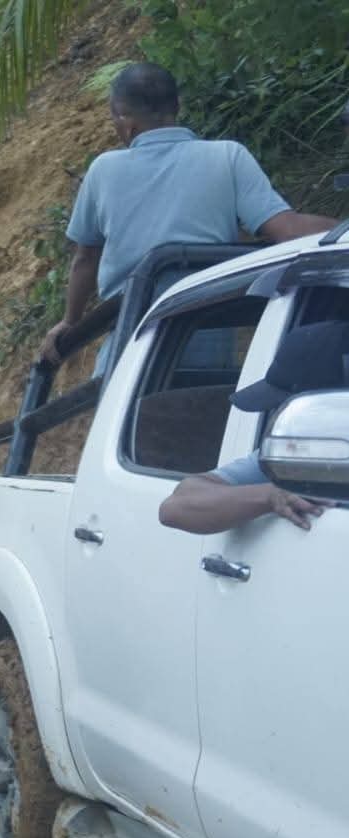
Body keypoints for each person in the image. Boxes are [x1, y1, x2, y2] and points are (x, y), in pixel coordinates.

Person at [40, 62, 339, 370]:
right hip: (207, 346)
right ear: (177, 106)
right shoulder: (228, 156)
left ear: (127, 123)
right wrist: (344, 232)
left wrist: (70, 321)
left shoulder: (103, 170)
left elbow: (85, 260)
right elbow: (288, 230)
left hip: (127, 352)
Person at [159, 320, 349, 534]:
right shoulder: (309, 451)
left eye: (291, 410)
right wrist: (271, 495)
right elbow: (177, 507)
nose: (280, 420)